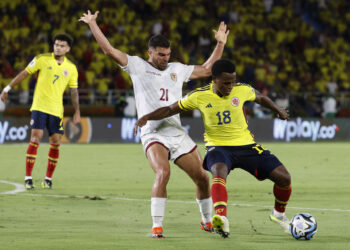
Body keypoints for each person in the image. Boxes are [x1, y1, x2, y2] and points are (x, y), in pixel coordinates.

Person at [79, 10, 229, 238]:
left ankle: (207, 221)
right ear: (149, 52)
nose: (165, 59)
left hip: (176, 132)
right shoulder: (137, 65)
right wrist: (92, 24)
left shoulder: (177, 69)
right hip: (153, 133)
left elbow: (208, 69)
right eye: (160, 55)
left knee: (202, 177)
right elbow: (109, 50)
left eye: (168, 54)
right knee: (163, 171)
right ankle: (157, 226)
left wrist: (219, 44)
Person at [134, 59, 292, 238]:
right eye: (226, 83)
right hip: (218, 147)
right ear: (214, 79)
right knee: (218, 171)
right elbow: (170, 109)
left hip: (246, 145)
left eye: (232, 82)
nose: (230, 86)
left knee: (284, 178)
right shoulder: (199, 95)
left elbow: (261, 98)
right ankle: (221, 218)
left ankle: (279, 214)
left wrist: (277, 109)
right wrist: (147, 117)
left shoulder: (242, 89)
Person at [0, 33, 80, 190]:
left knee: (55, 143)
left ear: (68, 49)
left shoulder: (71, 68)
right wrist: (7, 88)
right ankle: (28, 178)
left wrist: (77, 111)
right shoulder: (41, 59)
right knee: (36, 138)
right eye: (56, 44)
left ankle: (48, 179)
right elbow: (24, 73)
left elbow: (74, 91)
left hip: (56, 110)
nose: (58, 47)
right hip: (39, 107)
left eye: (62, 45)